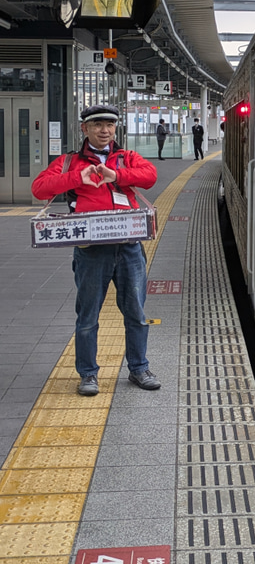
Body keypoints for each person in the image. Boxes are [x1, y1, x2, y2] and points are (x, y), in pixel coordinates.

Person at [31, 104, 161, 397]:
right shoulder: (69, 162)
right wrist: (78, 178)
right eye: (98, 125)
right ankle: (88, 374)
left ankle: (139, 368)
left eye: (110, 125)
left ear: (116, 129)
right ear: (85, 129)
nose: (104, 131)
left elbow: (150, 176)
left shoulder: (126, 158)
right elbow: (40, 189)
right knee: (88, 316)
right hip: (91, 251)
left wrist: (117, 176)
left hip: (129, 248)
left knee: (137, 313)